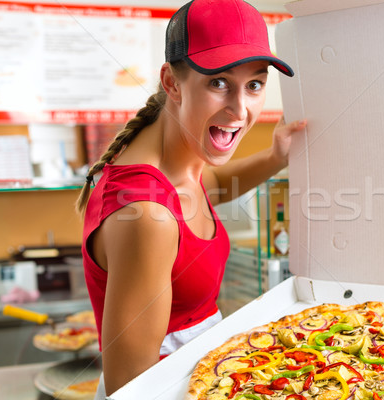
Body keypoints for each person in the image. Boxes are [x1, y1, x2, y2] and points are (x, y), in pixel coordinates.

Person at [75, 0, 306, 396]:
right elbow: (129, 388)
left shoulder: (177, 163)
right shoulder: (147, 216)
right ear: (171, 82)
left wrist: (273, 158)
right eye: (218, 82)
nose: (240, 109)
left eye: (254, 84)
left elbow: (208, 187)